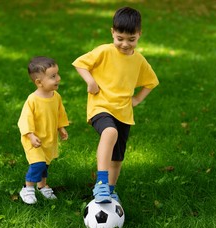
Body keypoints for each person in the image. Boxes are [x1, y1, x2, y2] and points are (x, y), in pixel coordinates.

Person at [72, 7, 159, 203]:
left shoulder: (139, 60)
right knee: (110, 132)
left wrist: (137, 99)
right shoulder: (104, 51)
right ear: (112, 32)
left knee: (117, 158)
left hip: (124, 113)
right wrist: (90, 81)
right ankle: (101, 184)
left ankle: (110, 190)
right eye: (120, 38)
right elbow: (80, 64)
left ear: (139, 35)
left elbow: (151, 82)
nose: (125, 44)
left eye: (131, 39)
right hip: (100, 106)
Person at [18, 56, 69, 204]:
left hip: (48, 138)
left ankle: (42, 186)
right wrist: (31, 135)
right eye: (53, 76)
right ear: (39, 82)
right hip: (33, 139)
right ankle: (27, 188)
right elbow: (25, 120)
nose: (58, 78)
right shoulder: (32, 100)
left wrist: (61, 127)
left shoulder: (56, 97)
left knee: (45, 164)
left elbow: (60, 113)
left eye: (57, 74)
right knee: (38, 164)